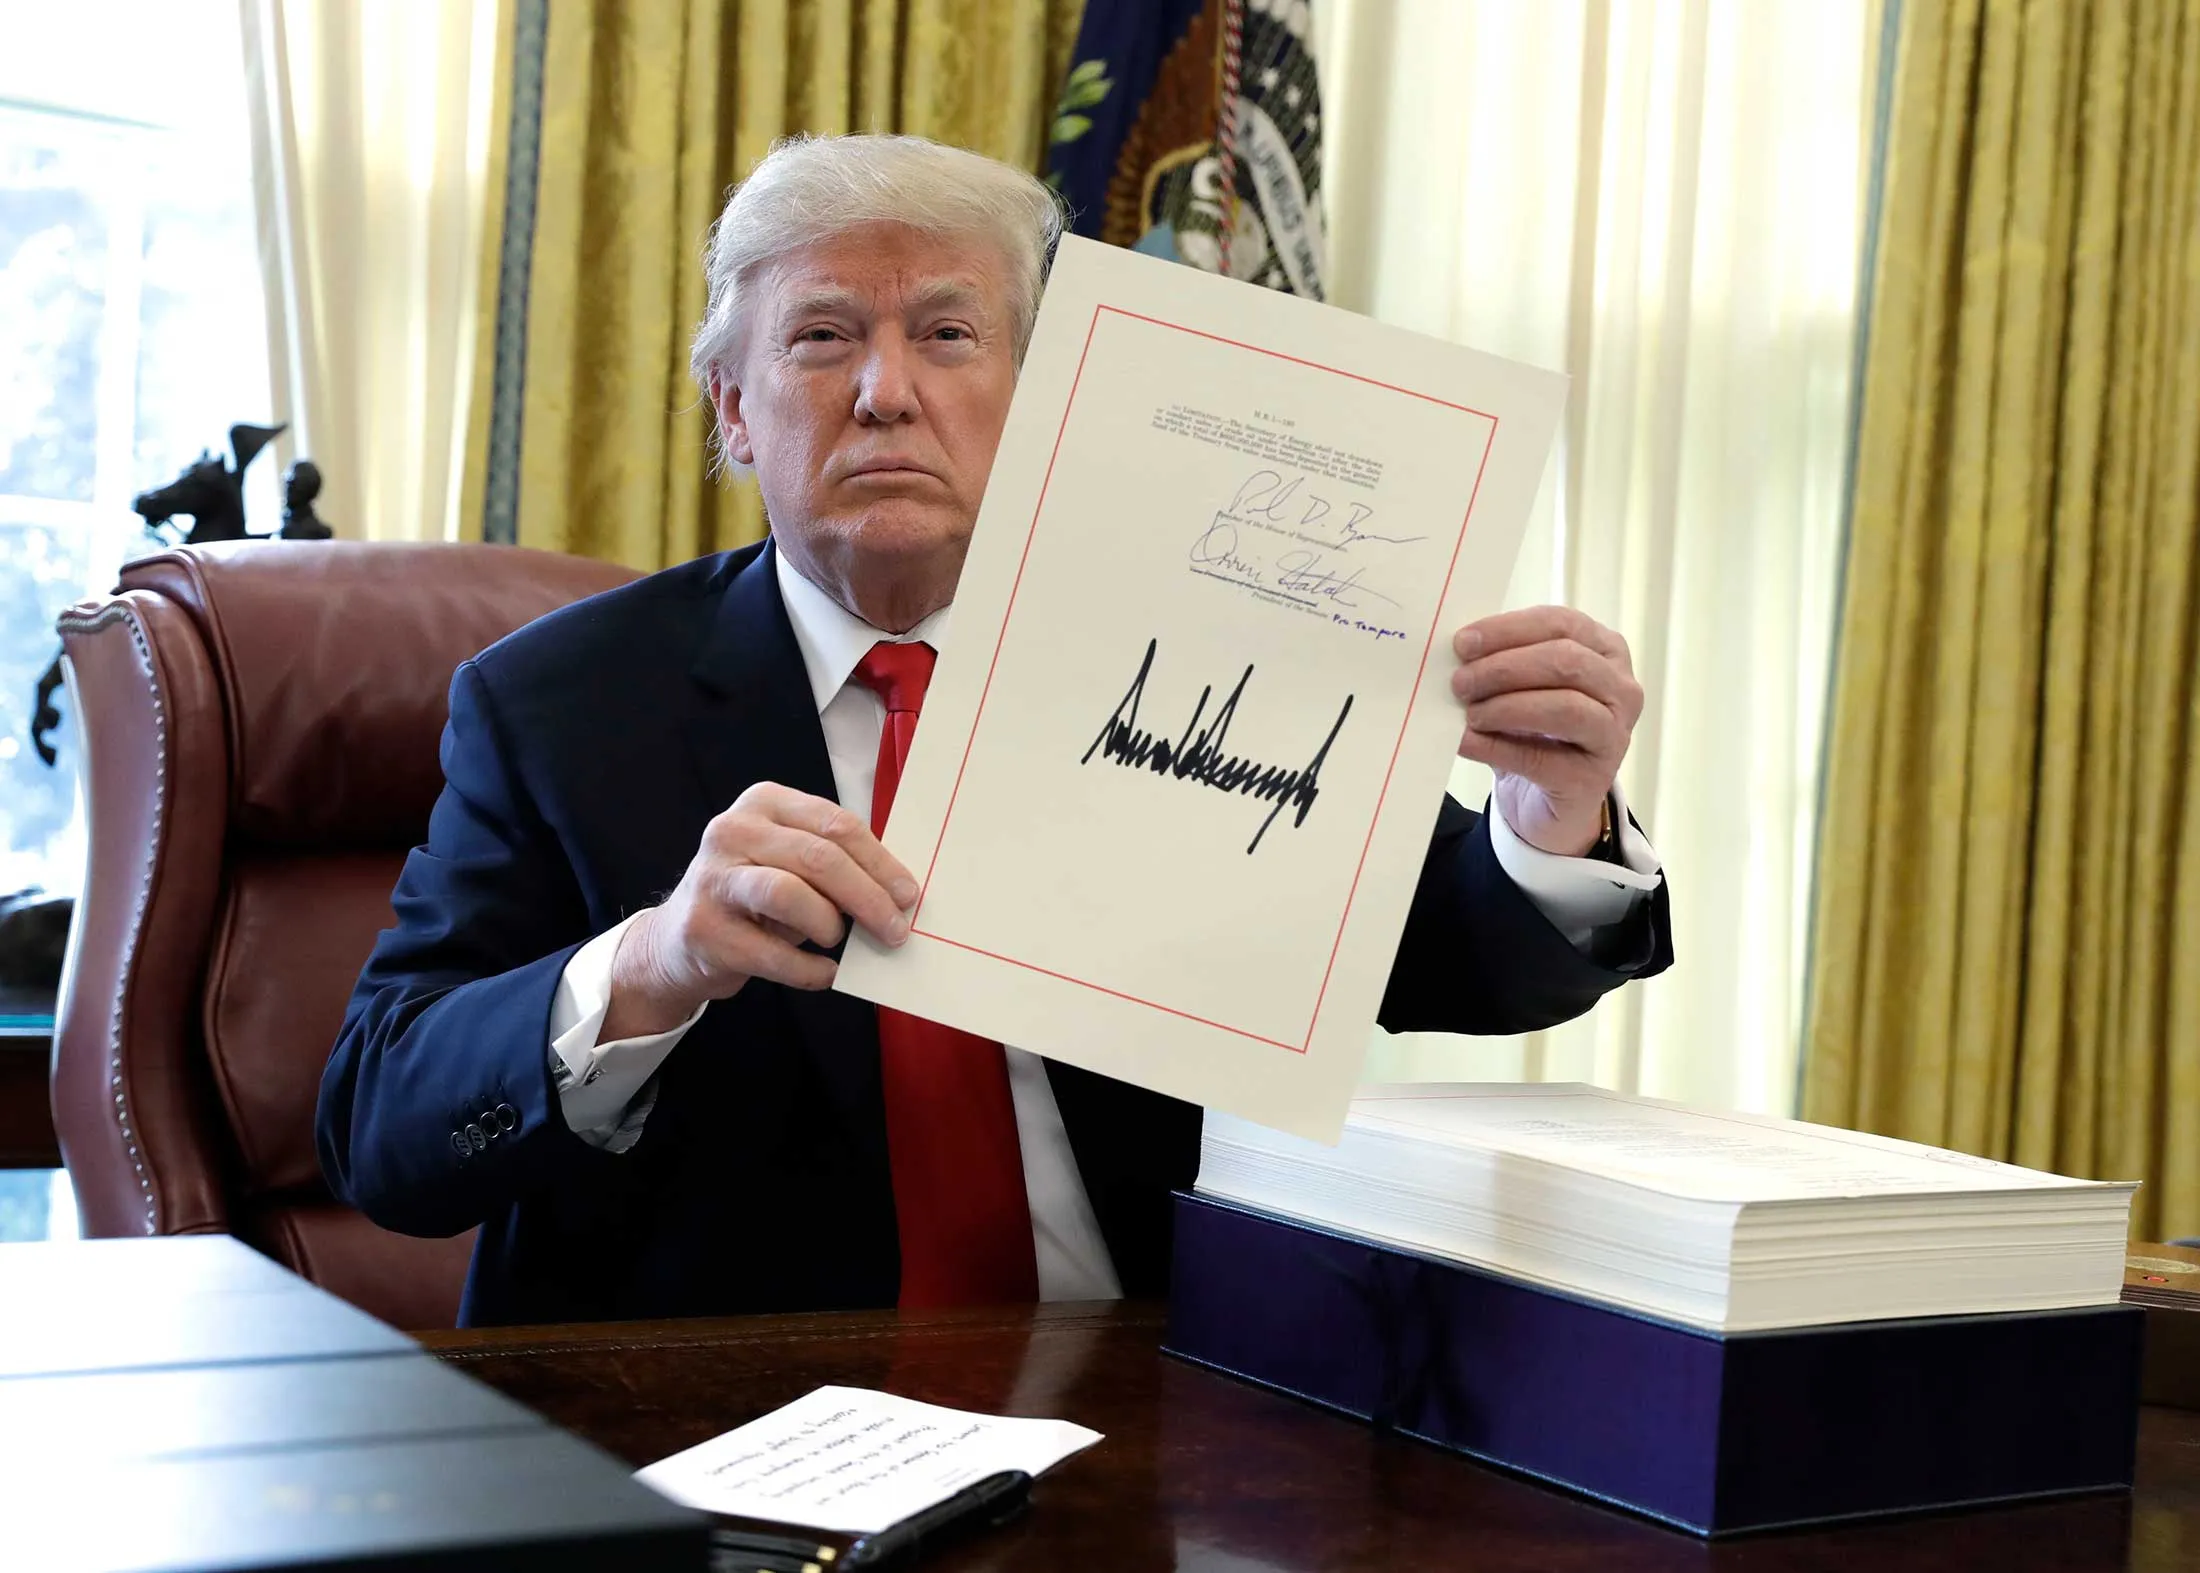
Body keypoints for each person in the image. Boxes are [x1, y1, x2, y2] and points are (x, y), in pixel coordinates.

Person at [318, 135, 1673, 1328]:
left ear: (1041, 405)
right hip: (730, 1415)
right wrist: (655, 962)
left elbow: (1456, 957)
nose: (887, 392)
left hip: (1149, 1395)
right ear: (735, 410)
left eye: (950, 336)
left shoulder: (1194, 653)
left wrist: (1553, 819)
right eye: (822, 336)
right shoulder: (556, 704)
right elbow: (382, 1130)